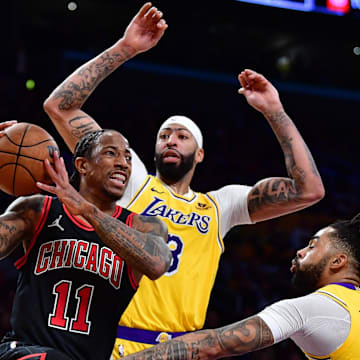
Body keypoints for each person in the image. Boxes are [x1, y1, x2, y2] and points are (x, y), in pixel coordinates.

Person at [43, 3, 325, 358]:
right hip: (117, 344)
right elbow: (61, 107)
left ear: (200, 153)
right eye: (164, 135)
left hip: (184, 350)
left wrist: (275, 111)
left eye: (181, 136)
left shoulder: (221, 205)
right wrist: (125, 48)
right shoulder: (133, 179)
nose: (171, 140)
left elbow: (309, 190)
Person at [0, 124, 171, 360]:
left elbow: (157, 265)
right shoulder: (39, 210)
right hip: (27, 351)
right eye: (111, 153)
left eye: (128, 157)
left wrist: (88, 211)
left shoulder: (145, 226)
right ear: (82, 165)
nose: (123, 163)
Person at [122, 213, 360, 360]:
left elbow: (213, 345)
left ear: (338, 261)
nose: (300, 251)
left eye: (312, 246)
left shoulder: (316, 307)